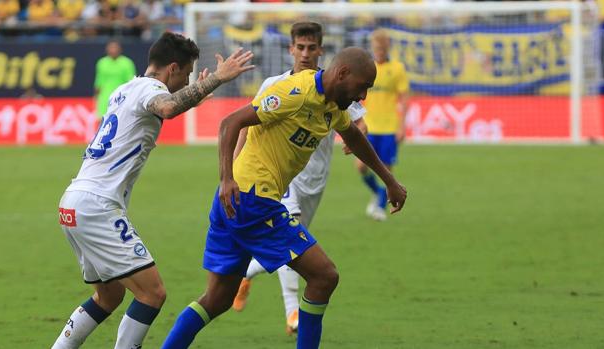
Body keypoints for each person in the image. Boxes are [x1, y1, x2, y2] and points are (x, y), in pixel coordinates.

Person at [161, 47, 407, 349]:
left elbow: (354, 136)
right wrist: (226, 178)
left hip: (237, 203)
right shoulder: (296, 91)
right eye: (362, 86)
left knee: (217, 299)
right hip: (252, 199)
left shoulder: (333, 105)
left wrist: (390, 181)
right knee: (324, 276)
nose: (363, 96)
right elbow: (230, 123)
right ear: (343, 74)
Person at [51, 32, 254, 349]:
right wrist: (215, 79)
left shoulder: (125, 89)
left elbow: (158, 109)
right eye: (186, 74)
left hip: (73, 203)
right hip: (97, 205)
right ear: (173, 68)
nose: (186, 80)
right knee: (153, 293)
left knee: (109, 295)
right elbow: (168, 106)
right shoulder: (152, 89)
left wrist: (192, 95)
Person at [230, 21, 367, 336]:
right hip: (276, 178)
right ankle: (292, 312)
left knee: (291, 246)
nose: (305, 53)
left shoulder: (337, 88)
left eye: (311, 48)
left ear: (320, 50)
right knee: (292, 247)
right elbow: (246, 126)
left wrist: (355, 138)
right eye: (300, 47)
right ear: (291, 49)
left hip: (315, 179)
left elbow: (359, 124)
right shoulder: (274, 84)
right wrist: (235, 167)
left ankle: (246, 274)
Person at [357, 29, 410, 221]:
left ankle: (380, 207)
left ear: (387, 47)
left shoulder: (397, 68)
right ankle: (378, 194)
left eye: (382, 47)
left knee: (386, 172)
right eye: (376, 48)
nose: (379, 51)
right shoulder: (367, 68)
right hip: (369, 126)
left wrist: (402, 126)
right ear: (373, 47)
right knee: (361, 167)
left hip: (388, 127)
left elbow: (404, 98)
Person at [94, 40, 137, 118]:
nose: (113, 50)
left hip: (121, 97)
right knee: (103, 120)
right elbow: (98, 82)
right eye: (111, 48)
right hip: (105, 97)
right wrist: (96, 98)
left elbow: (132, 82)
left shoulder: (127, 63)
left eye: (115, 48)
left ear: (120, 50)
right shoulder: (102, 62)